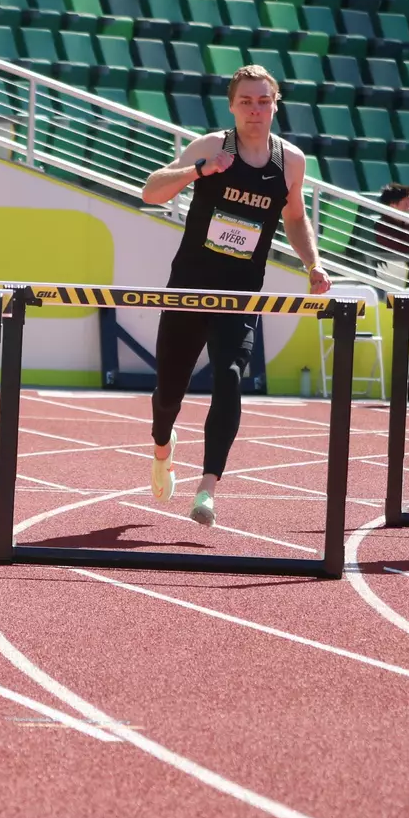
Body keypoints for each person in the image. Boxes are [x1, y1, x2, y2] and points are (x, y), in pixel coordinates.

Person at [138, 66, 331, 527]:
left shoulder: (291, 161)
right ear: (231, 105)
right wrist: (199, 170)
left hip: (241, 296)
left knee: (229, 378)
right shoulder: (210, 147)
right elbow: (150, 191)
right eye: (246, 101)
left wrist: (313, 263)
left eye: (263, 101)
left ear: (276, 104)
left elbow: (296, 216)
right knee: (168, 395)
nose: (255, 110)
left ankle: (207, 489)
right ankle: (163, 446)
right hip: (189, 289)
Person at [374, 181, 409, 286]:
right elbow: (405, 251)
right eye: (406, 204)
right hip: (394, 272)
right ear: (393, 205)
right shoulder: (382, 226)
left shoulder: (405, 223)